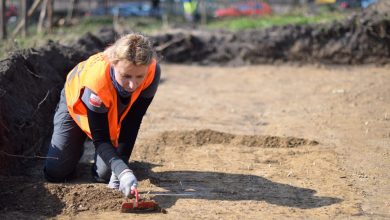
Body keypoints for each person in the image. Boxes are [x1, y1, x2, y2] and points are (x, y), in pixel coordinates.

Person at [43, 33, 161, 198]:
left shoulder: (152, 71)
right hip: (77, 105)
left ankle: (106, 164)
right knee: (56, 173)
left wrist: (122, 166)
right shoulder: (96, 81)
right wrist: (122, 169)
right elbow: (100, 138)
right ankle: (74, 145)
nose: (133, 85)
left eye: (139, 76)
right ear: (113, 64)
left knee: (104, 176)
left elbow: (132, 122)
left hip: (110, 105)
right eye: (126, 76)